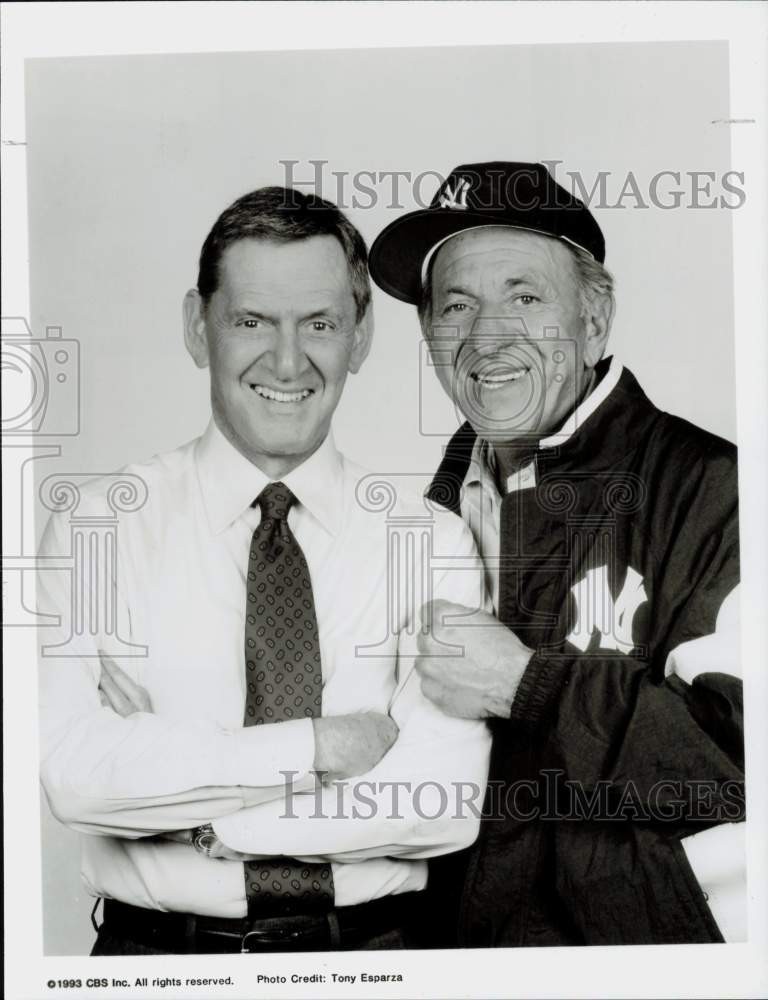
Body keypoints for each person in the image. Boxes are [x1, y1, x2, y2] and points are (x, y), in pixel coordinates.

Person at [37, 186, 491, 954]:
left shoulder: (432, 544)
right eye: (252, 321)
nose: (288, 360)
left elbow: (441, 802)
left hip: (376, 959)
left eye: (319, 323)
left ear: (361, 334)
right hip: (157, 962)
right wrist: (318, 746)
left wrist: (204, 813)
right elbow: (72, 777)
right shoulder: (96, 527)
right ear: (196, 326)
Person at [368, 161, 745, 946]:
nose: (486, 337)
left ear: (595, 320)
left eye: (525, 298)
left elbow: (736, 764)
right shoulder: (425, 519)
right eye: (457, 306)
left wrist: (528, 686)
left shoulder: (721, 491)